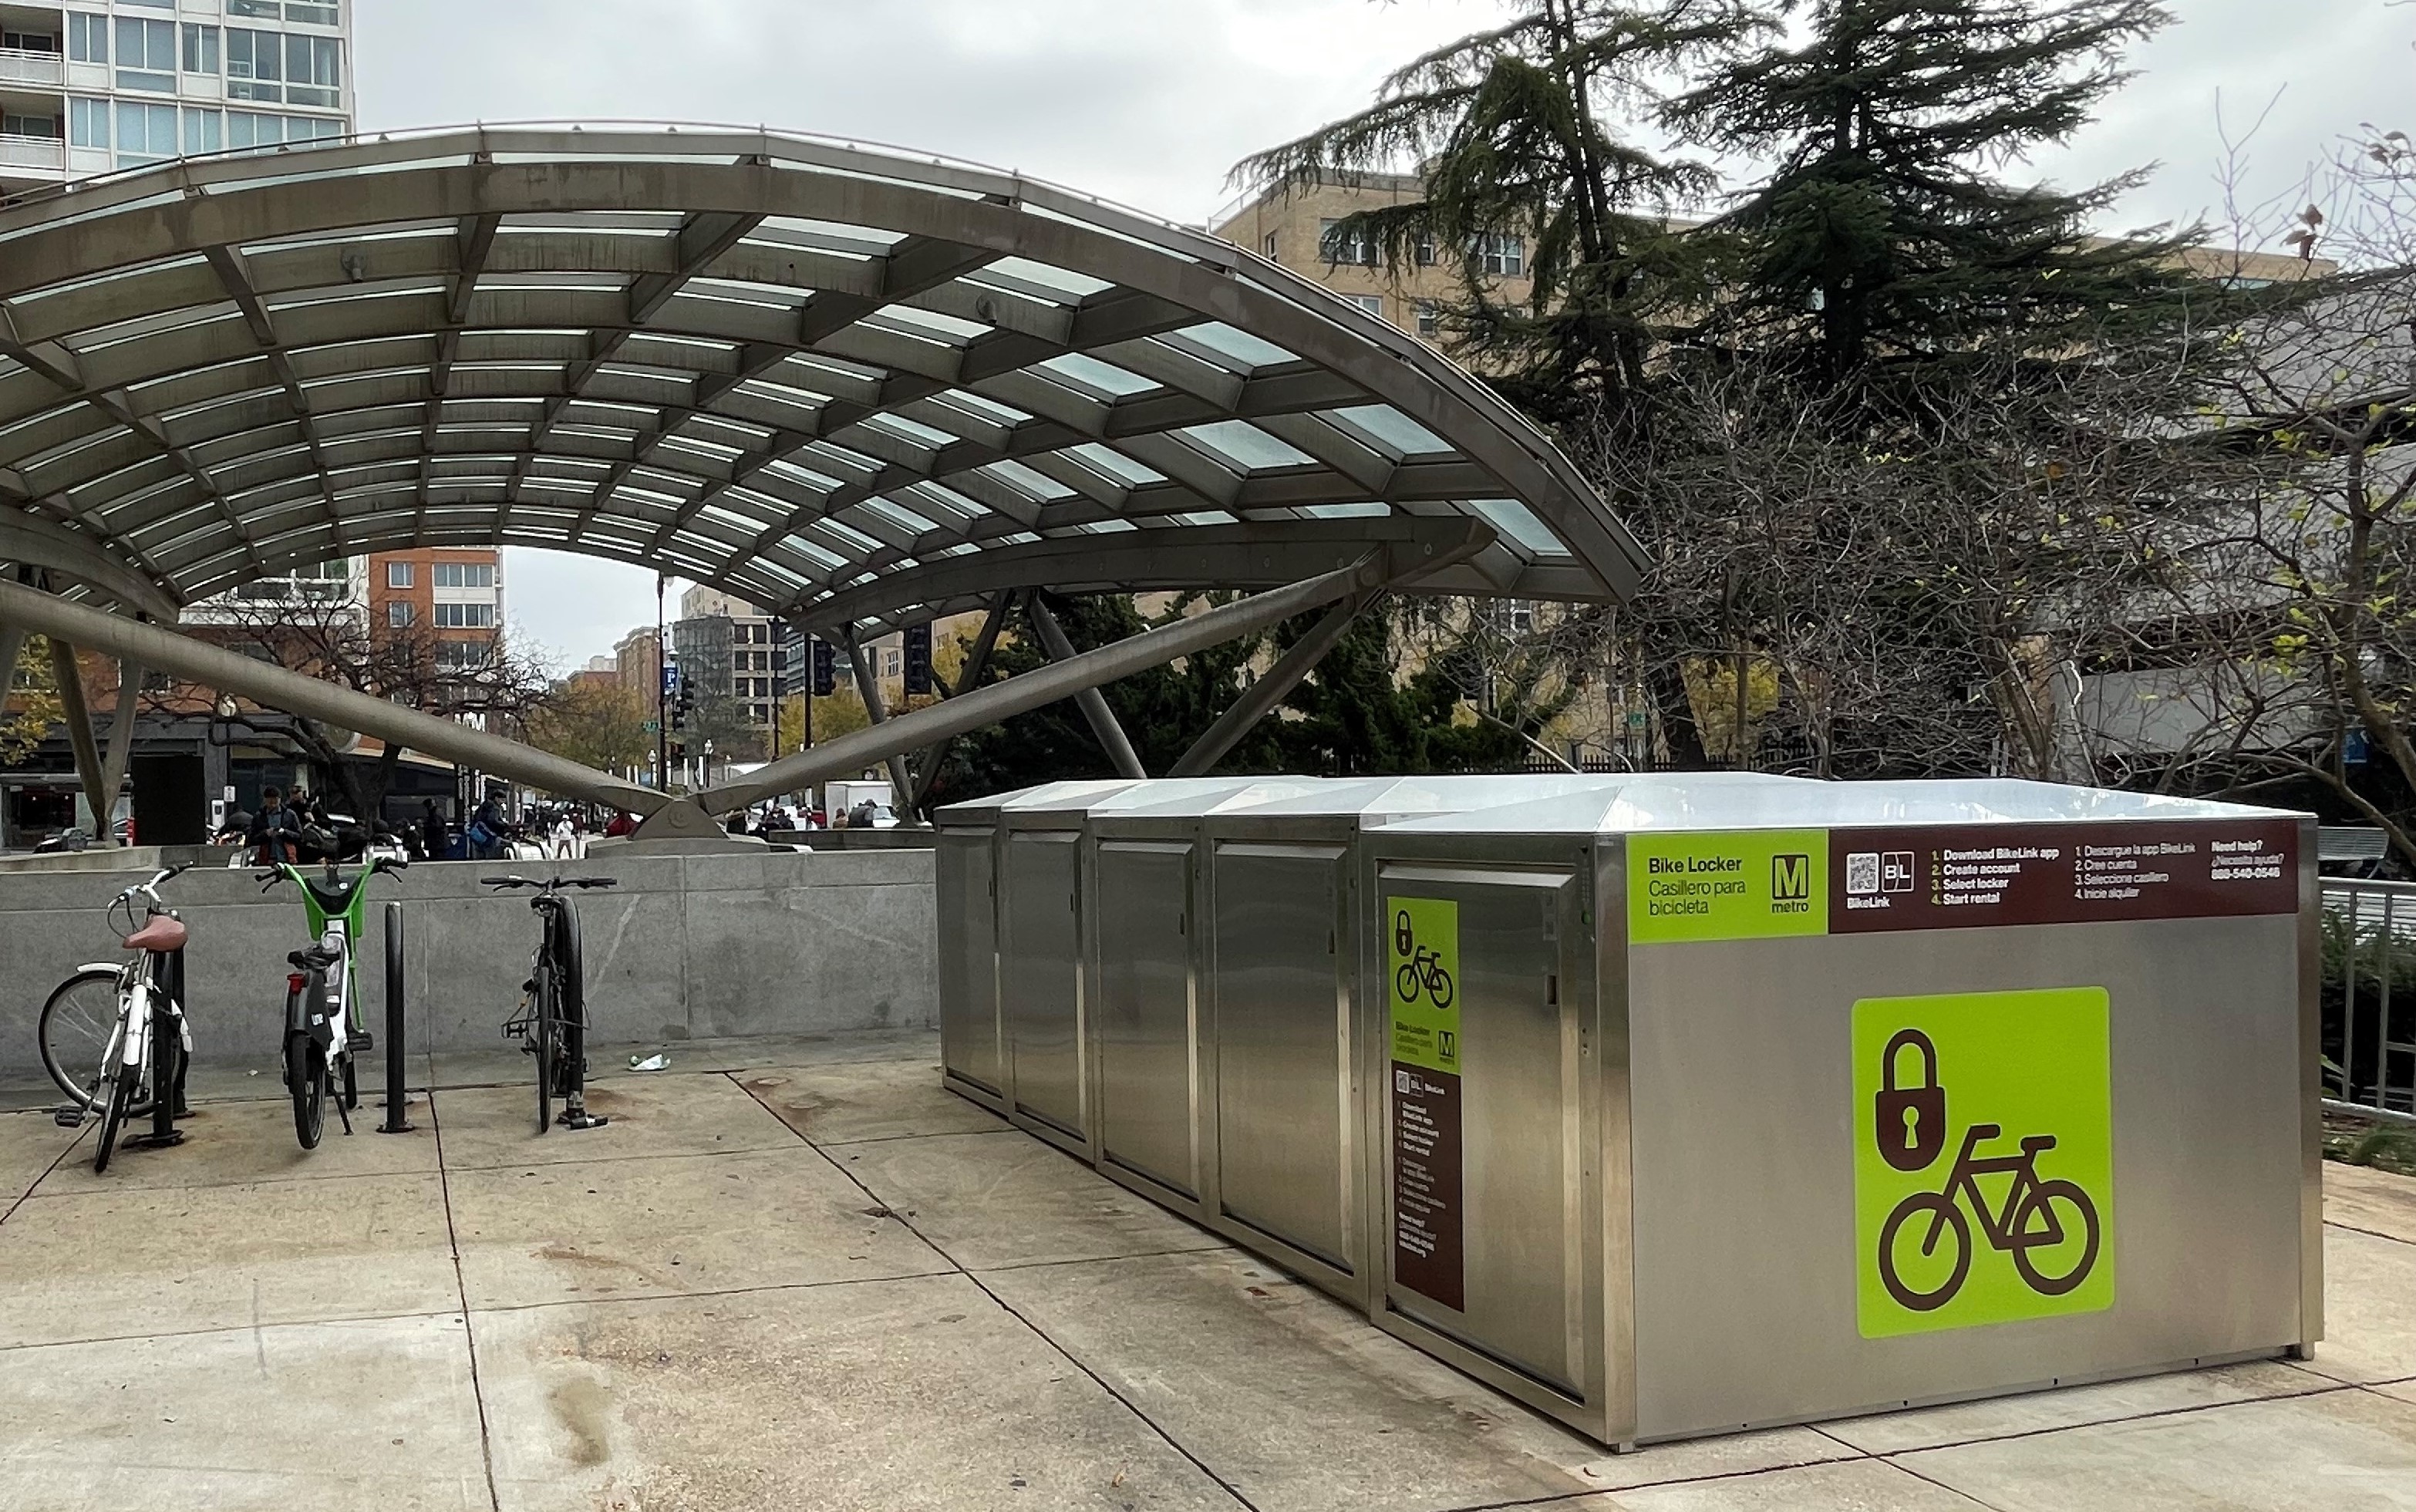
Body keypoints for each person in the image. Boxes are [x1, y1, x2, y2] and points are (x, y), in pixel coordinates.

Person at [247, 786, 302, 866]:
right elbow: (251, 839)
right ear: (265, 800)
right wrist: (265, 834)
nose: (273, 802)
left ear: (280, 799)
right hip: (266, 860)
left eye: (275, 799)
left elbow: (300, 836)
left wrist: (284, 832)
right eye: (270, 799)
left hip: (288, 859)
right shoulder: (259, 816)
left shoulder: (289, 815)